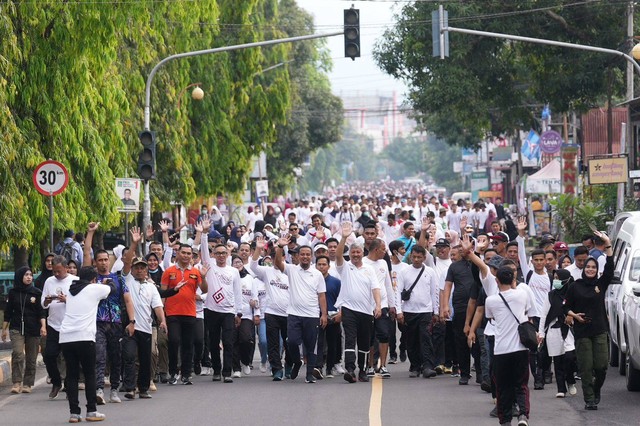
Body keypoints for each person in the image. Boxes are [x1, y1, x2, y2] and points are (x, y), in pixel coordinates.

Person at [83, 222, 135, 405]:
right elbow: (86, 253)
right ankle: (99, 389)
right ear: (96, 262)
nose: (103, 262)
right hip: (97, 322)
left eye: (106, 259)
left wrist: (132, 321)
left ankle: (114, 389)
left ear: (110, 261)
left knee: (116, 357)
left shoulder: (118, 279)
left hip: (116, 324)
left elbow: (128, 300)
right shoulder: (90, 277)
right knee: (99, 355)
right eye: (100, 260)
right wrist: (90, 233)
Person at [564, 230, 614, 410]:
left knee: (601, 367)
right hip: (582, 332)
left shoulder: (601, 284)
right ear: (584, 269)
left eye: (593, 267)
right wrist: (574, 315)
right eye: (588, 267)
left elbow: (610, 267)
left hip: (600, 330)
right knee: (586, 368)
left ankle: (596, 388)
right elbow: (565, 307)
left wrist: (607, 243)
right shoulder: (575, 286)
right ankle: (589, 399)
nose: (591, 269)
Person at [120, 227, 168, 400]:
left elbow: (157, 307)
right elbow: (126, 262)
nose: (139, 270)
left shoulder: (151, 287)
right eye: (137, 268)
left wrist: (162, 321)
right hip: (131, 327)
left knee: (146, 359)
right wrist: (134, 243)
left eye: (142, 268)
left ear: (146, 270)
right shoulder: (127, 280)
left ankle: (143, 388)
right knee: (130, 356)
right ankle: (130, 387)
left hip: (147, 328)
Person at [59, 266, 111, 423]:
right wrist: (105, 282)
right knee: (89, 374)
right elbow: (111, 289)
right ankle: (91, 411)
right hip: (84, 337)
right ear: (93, 279)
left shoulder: (71, 290)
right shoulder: (94, 288)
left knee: (72, 375)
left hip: (66, 337)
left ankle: (74, 413)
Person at [274, 233, 328, 383]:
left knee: (311, 346)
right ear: (297, 256)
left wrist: (323, 314)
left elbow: (322, 295)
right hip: (294, 314)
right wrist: (280, 247)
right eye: (302, 254)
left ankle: (310, 373)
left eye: (307, 255)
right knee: (291, 342)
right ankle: (297, 362)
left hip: (311, 315)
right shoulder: (291, 270)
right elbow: (278, 263)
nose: (305, 257)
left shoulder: (317, 274)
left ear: (312, 257)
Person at [485, 266, 533, 426]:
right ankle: (523, 415)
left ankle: (505, 420)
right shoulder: (522, 294)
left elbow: (491, 318)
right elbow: (527, 311)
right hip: (520, 349)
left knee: (503, 387)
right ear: (513, 279)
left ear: (497, 281)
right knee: (521, 384)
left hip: (501, 350)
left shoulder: (490, 300)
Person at [334, 222, 381, 383]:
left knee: (364, 342)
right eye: (353, 252)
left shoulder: (369, 269)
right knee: (350, 339)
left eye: (358, 252)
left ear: (362, 253)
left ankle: (362, 370)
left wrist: (378, 306)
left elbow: (375, 289)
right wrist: (344, 237)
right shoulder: (345, 267)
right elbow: (338, 255)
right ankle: (350, 369)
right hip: (349, 310)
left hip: (366, 311)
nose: (355, 255)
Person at [198, 219, 242, 383]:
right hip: (212, 310)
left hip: (229, 311)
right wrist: (204, 233)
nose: (221, 256)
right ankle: (217, 370)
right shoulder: (209, 266)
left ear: (228, 255)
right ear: (214, 255)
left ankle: (227, 372)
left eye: (224, 253)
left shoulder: (233, 271)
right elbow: (203, 249)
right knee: (214, 342)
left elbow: (237, 292)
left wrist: (239, 312)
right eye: (218, 253)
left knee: (229, 343)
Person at [161, 242, 207, 385]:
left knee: (188, 344)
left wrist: (204, 277)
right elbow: (163, 292)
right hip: (172, 312)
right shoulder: (169, 271)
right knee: (174, 341)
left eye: (189, 254)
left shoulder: (195, 272)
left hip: (190, 313)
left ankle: (186, 374)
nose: (186, 256)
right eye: (184, 253)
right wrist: (161, 313)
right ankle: (173, 372)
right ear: (178, 253)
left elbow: (204, 290)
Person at [250, 236, 291, 381]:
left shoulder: (290, 271)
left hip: (289, 313)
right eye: (273, 256)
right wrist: (258, 248)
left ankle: (289, 366)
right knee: (272, 343)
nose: (275, 259)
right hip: (271, 313)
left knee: (289, 343)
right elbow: (253, 266)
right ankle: (277, 369)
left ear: (284, 256)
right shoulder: (267, 272)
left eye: (278, 255)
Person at [396, 245, 438, 379]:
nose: (416, 259)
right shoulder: (404, 272)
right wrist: (399, 311)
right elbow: (397, 291)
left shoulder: (430, 272)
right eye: (414, 257)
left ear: (424, 258)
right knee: (411, 340)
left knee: (425, 338)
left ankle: (427, 366)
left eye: (419, 257)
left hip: (425, 311)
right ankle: (414, 366)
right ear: (410, 256)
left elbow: (434, 292)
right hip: (409, 311)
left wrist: (435, 311)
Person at [2, 267, 46, 394]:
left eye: (31, 275)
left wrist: (43, 326)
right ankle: (16, 382)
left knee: (31, 358)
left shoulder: (36, 292)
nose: (29, 277)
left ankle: (27, 383)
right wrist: (4, 330)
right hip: (16, 327)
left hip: (33, 328)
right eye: (26, 275)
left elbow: (41, 311)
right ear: (20, 276)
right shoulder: (13, 292)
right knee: (17, 354)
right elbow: (8, 312)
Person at [42, 255, 78, 400]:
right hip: (53, 325)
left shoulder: (75, 281)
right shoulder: (49, 281)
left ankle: (70, 387)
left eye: (59, 271)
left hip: (69, 326)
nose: (56, 274)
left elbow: (80, 302)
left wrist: (66, 300)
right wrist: (47, 300)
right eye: (54, 272)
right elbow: (43, 304)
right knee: (49, 356)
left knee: (70, 359)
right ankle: (56, 382)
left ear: (66, 268)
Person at [537, 269, 577, 398]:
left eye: (558, 278)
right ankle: (561, 389)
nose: (556, 281)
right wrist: (541, 333)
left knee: (570, 358)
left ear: (565, 280)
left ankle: (570, 380)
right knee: (558, 361)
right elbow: (543, 315)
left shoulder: (572, 295)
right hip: (553, 331)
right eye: (554, 278)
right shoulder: (551, 296)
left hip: (568, 330)